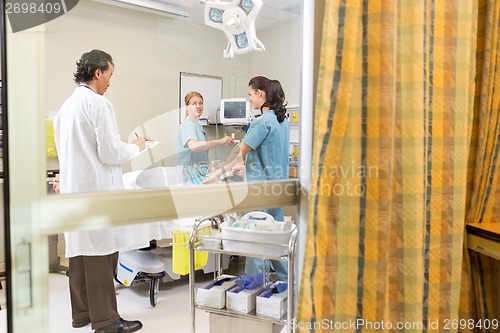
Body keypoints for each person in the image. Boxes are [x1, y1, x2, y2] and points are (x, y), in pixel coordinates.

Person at [54, 49, 146, 333]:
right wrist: (137, 146)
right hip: (97, 191)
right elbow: (110, 151)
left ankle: (82, 315)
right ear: (98, 73)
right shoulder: (98, 104)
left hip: (75, 191)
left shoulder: (65, 108)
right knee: (101, 253)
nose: (109, 81)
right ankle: (106, 322)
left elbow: (66, 154)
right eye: (109, 75)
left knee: (80, 252)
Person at [204, 76, 290, 281]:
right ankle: (286, 284)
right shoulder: (282, 120)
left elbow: (239, 154)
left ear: (260, 94)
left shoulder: (262, 122)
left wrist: (217, 173)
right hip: (278, 188)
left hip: (259, 192)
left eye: (250, 95)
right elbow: (268, 154)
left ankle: (256, 287)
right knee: (275, 239)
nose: (249, 99)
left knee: (256, 243)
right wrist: (247, 167)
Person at [176, 91, 234, 166]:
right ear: (187, 107)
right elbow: (194, 146)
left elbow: (203, 147)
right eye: (194, 103)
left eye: (200, 103)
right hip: (189, 172)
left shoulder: (198, 125)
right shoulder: (188, 125)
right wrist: (220, 141)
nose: (198, 106)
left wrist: (223, 141)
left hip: (198, 170)